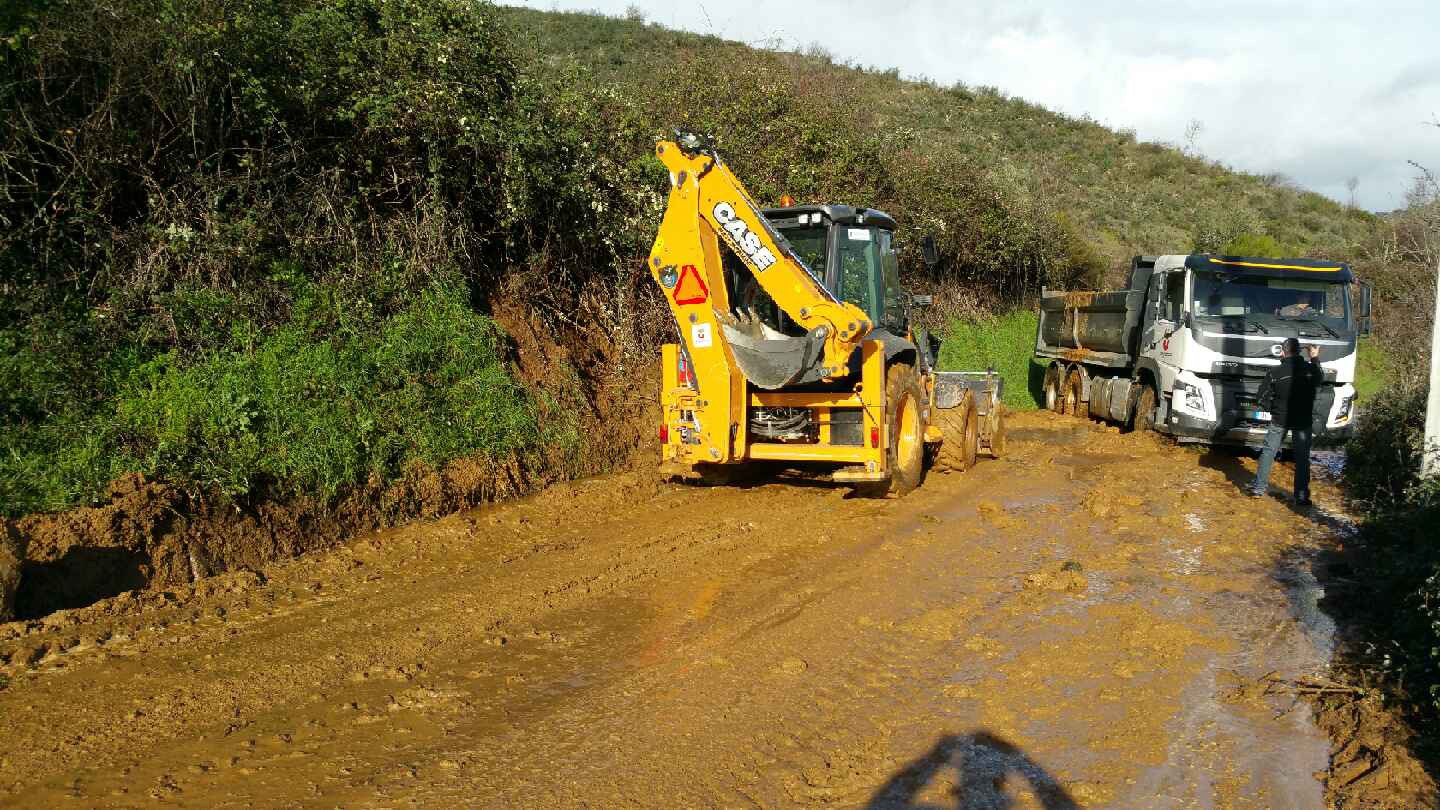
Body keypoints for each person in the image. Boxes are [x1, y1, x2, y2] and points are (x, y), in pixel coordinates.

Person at [1249, 337, 1323, 504]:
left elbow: (1260, 398)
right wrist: (1315, 357)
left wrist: (1272, 408)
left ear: (1283, 352)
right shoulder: (1310, 370)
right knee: (1302, 458)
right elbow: (1320, 379)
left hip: (1279, 419)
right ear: (1299, 351)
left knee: (1268, 452)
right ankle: (1302, 496)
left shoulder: (1274, 373)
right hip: (1303, 420)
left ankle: (1258, 489)